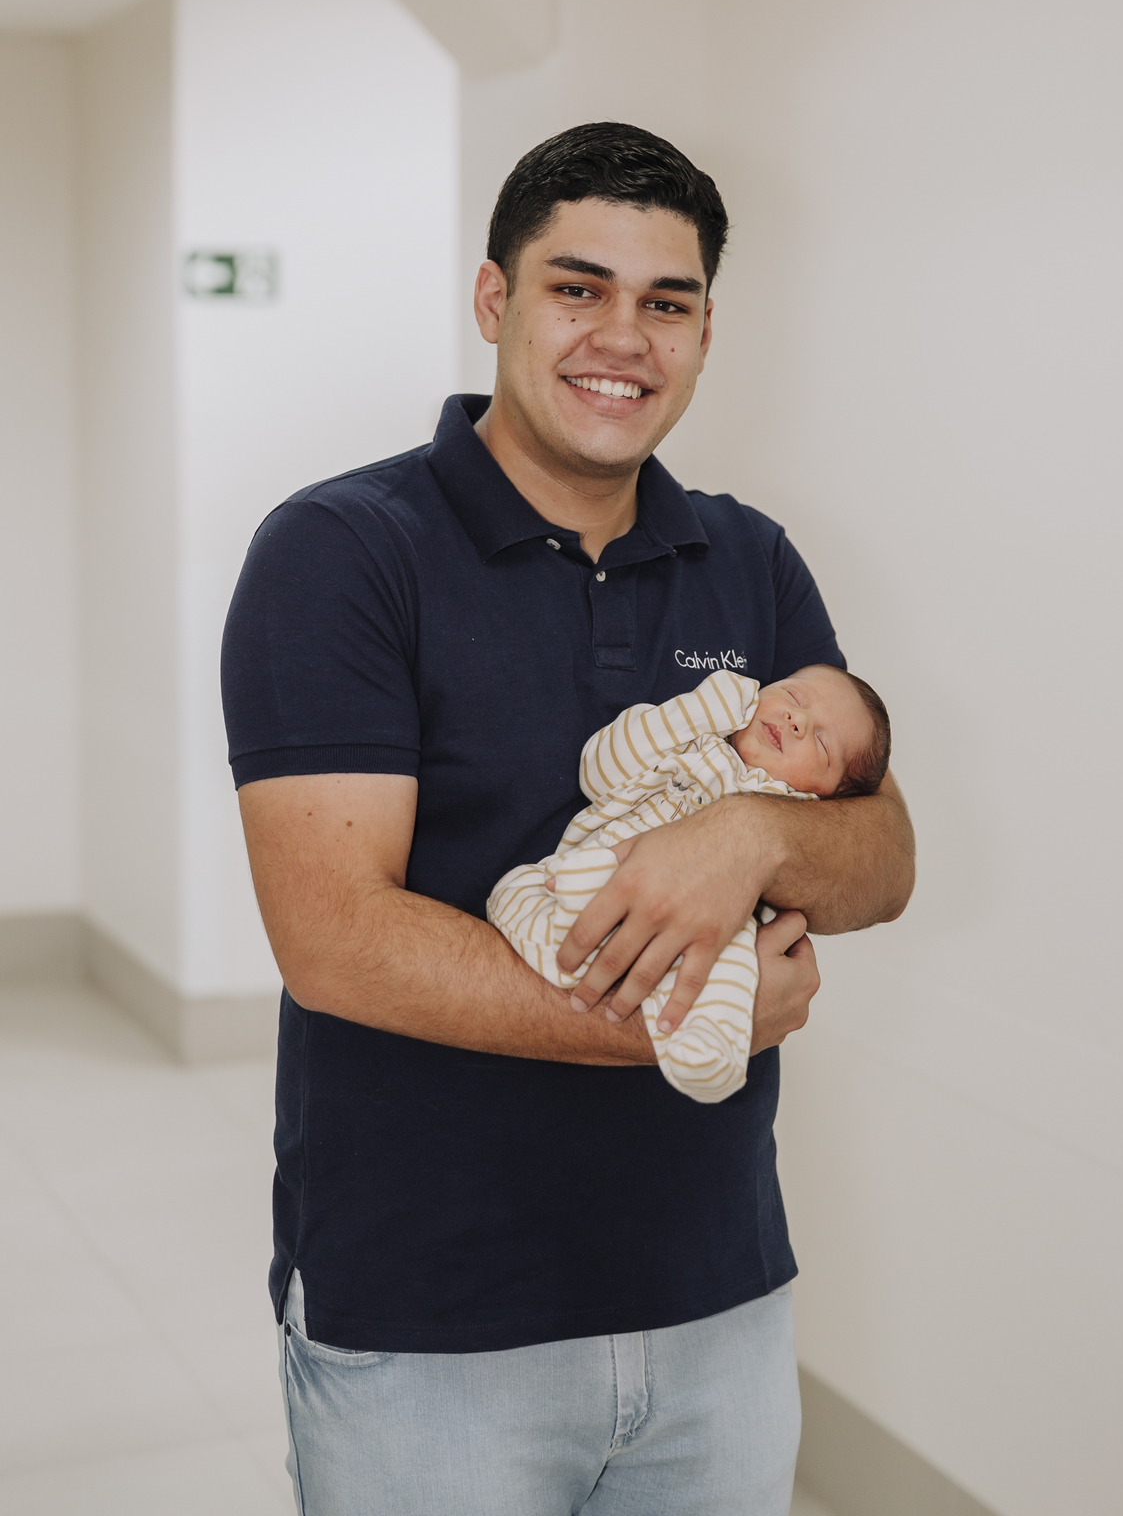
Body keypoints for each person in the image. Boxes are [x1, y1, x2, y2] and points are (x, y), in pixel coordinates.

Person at [221, 122, 915, 1516]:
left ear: (706, 333)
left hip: (718, 1297)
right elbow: (336, 941)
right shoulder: (342, 553)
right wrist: (682, 1022)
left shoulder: (751, 559)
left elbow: (882, 853)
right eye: (577, 288)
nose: (623, 339)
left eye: (668, 303)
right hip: (430, 1322)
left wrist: (749, 838)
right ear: (495, 300)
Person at [488, 664, 890, 1103]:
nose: (798, 721)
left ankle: (711, 1046)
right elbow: (597, 772)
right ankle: (569, 938)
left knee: (739, 958)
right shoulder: (691, 740)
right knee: (516, 888)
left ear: (829, 798)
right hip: (593, 878)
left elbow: (876, 857)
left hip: (698, 939)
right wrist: (699, 709)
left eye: (822, 743)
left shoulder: (794, 811)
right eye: (794, 696)